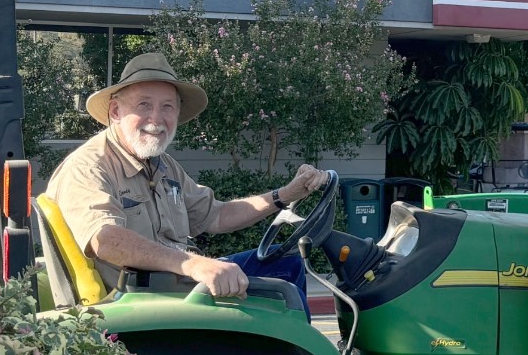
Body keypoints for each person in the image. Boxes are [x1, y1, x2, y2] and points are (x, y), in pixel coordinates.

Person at [46, 52, 326, 303]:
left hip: (177, 285)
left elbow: (216, 216)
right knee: (280, 293)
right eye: (144, 105)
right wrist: (194, 265)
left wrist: (286, 194)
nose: (156, 118)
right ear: (116, 112)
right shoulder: (89, 167)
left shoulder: (163, 165)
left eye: (168, 107)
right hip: (143, 299)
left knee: (289, 262)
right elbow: (105, 239)